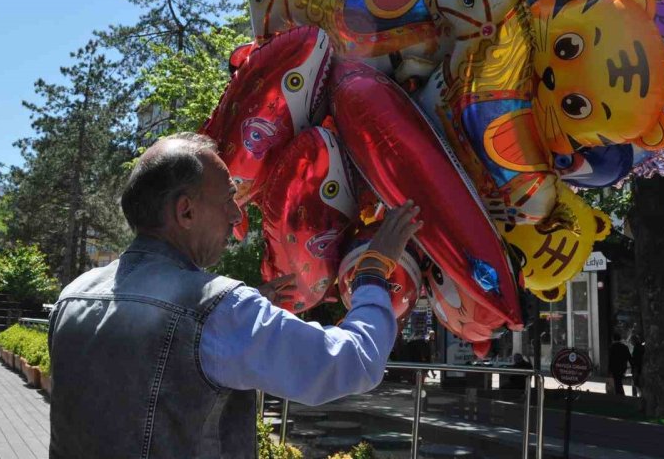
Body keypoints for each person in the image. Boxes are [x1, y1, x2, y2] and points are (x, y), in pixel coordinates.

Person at [48, 133, 422, 458]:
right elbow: (352, 362)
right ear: (186, 211)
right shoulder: (220, 312)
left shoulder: (73, 297)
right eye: (229, 198)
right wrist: (374, 271)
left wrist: (242, 307)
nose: (236, 216)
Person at [630, 333, 645, 397]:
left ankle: (635, 397)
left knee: (635, 384)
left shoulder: (636, 349)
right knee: (637, 384)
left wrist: (635, 370)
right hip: (640, 368)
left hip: (637, 369)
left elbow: (636, 360)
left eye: (631, 341)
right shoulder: (641, 347)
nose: (630, 342)